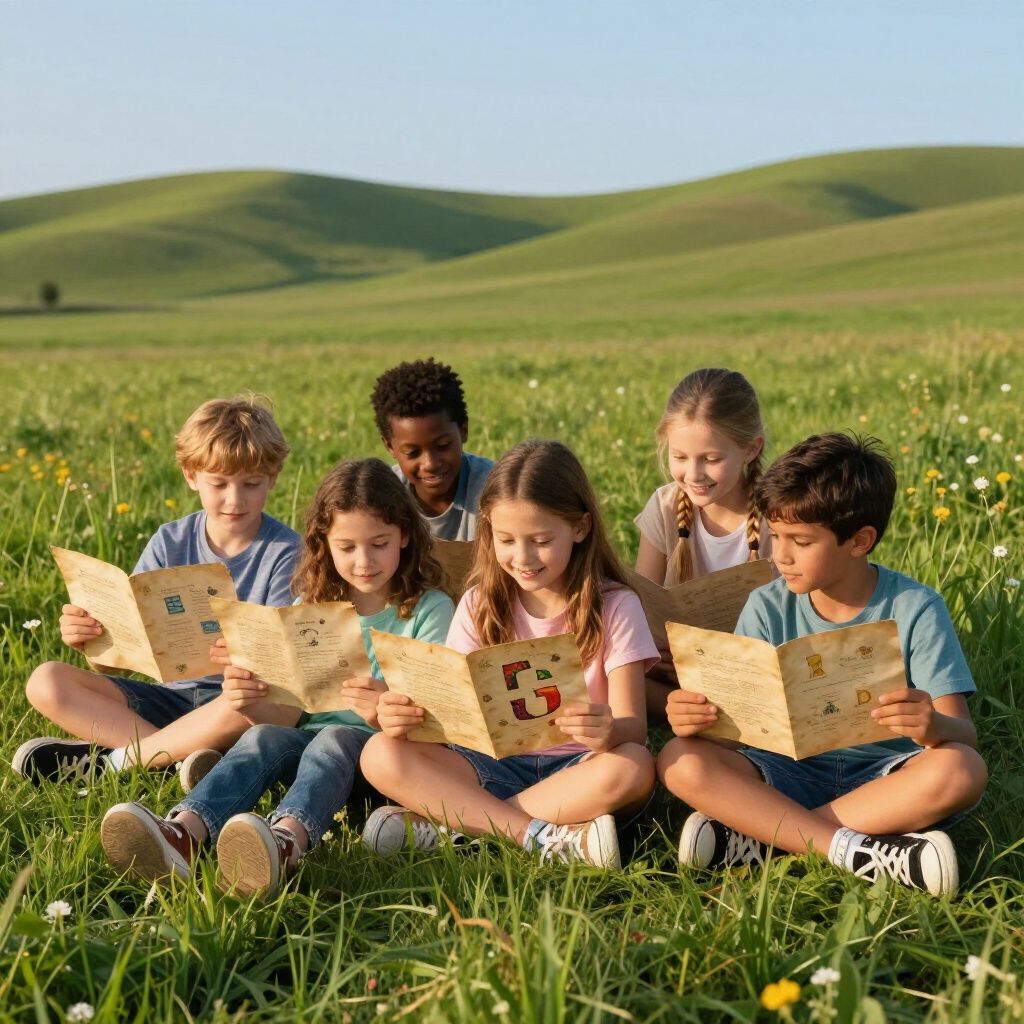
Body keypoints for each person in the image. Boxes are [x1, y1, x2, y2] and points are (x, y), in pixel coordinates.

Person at [98, 458, 455, 899]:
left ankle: (285, 841)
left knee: (335, 739)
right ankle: (183, 833)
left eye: (378, 543)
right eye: (346, 547)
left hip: (381, 761)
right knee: (263, 735)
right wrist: (248, 699)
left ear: (403, 534)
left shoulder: (428, 610)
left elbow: (439, 724)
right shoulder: (311, 606)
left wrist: (385, 708)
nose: (364, 561)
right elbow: (287, 715)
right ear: (325, 543)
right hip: (306, 747)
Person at [657, 433, 987, 897]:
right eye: (775, 536)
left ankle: (766, 839)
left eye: (801, 541)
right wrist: (699, 721)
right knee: (679, 759)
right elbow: (738, 735)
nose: (780, 555)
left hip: (886, 776)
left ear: (859, 540)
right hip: (783, 773)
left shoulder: (916, 607)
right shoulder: (766, 606)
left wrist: (931, 724)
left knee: (962, 769)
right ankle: (865, 852)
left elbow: (963, 733)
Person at [359, 439, 658, 868]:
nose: (522, 557)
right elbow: (452, 711)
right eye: (506, 540)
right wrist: (405, 715)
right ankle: (545, 836)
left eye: (539, 540)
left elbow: (635, 727)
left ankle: (458, 829)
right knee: (379, 752)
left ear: (580, 527)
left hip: (579, 769)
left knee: (633, 766)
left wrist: (610, 730)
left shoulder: (616, 605)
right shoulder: (479, 603)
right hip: (487, 764)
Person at [15, 396, 300, 785]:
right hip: (166, 700)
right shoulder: (169, 540)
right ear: (191, 476)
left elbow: (283, 672)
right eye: (219, 484)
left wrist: (244, 657)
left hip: (237, 708)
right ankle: (179, 760)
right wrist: (93, 640)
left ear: (273, 477)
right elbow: (115, 662)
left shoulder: (288, 553)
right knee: (46, 681)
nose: (235, 499)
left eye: (251, 484)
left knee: (237, 702)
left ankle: (119, 762)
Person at [633, 368, 771, 716]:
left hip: (751, 675)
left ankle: (708, 716)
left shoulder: (778, 517)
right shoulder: (665, 507)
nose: (693, 475)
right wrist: (659, 653)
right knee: (611, 675)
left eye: (711, 459)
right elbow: (642, 604)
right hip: (671, 678)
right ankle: (693, 713)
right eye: (680, 457)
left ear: (751, 449)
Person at [370, 358, 492, 541]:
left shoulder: (495, 490)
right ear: (389, 446)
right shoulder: (379, 497)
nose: (431, 464)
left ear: (463, 430)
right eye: (412, 453)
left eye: (442, 446)